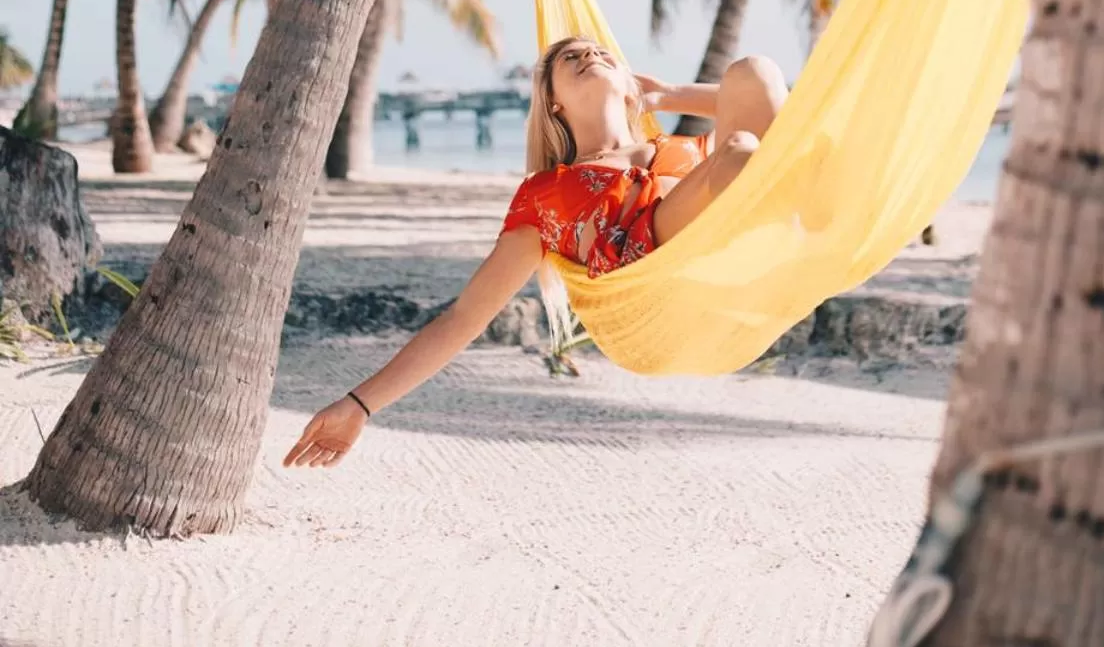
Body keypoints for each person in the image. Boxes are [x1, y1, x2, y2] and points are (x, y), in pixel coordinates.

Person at [283, 37, 787, 471]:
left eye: (601, 53)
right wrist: (359, 405)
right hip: (657, 293)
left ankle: (803, 221)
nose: (589, 54)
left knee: (754, 72)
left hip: (735, 252)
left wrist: (666, 94)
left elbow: (783, 106)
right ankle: (789, 212)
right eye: (572, 59)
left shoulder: (687, 150)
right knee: (740, 146)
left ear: (630, 83)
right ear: (552, 103)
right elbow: (464, 318)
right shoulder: (545, 193)